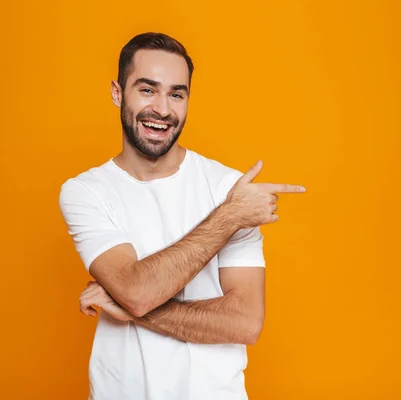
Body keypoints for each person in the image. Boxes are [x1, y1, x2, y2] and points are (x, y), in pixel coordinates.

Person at [58, 32, 306, 400]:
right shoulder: (86, 191)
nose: (162, 108)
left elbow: (245, 322)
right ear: (116, 92)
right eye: (147, 89)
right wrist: (227, 218)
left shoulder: (227, 188)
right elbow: (137, 291)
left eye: (176, 93)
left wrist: (128, 308)